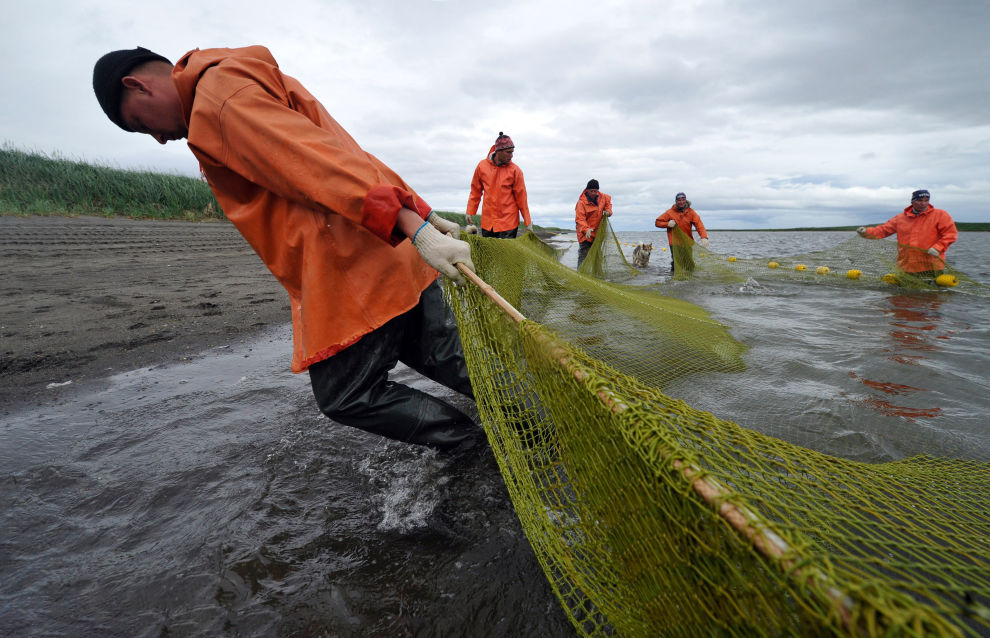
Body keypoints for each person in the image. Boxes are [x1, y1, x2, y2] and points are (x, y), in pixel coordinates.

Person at [92, 45, 479, 450]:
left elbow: (317, 163)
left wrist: (417, 228)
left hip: (351, 265)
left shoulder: (217, 100)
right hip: (387, 251)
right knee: (451, 359)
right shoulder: (233, 81)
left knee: (347, 394)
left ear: (137, 85)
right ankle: (521, 425)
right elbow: (346, 153)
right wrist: (420, 214)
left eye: (141, 123)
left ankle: (468, 445)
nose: (158, 139)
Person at [856, 189, 958, 274]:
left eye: (926, 200)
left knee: (932, 292)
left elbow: (951, 234)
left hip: (931, 265)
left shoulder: (940, 215)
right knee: (905, 293)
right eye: (920, 200)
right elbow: (883, 230)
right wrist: (865, 232)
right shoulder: (900, 218)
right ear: (912, 201)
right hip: (906, 266)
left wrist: (938, 248)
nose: (923, 203)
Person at [465, 132, 533, 238]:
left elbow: (522, 198)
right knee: (488, 249)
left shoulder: (515, 170)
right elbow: (475, 191)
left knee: (506, 250)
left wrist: (528, 222)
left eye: (512, 152)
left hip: (508, 223)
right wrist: (470, 211)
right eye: (508, 152)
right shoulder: (482, 166)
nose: (511, 155)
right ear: (498, 151)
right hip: (488, 223)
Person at [654, 192, 709, 272]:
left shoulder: (691, 212)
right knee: (677, 263)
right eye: (679, 200)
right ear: (676, 201)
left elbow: (699, 225)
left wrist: (704, 237)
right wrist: (667, 224)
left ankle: (690, 277)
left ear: (686, 200)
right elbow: (657, 222)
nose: (681, 202)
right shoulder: (670, 212)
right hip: (675, 243)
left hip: (687, 243)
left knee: (689, 264)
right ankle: (673, 277)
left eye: (683, 199)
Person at [574, 179, 613, 267]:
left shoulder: (603, 197)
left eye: (595, 191)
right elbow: (580, 219)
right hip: (585, 234)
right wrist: (586, 229)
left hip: (597, 234)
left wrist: (608, 212)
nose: (593, 193)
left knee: (597, 256)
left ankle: (597, 273)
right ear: (587, 190)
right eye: (591, 191)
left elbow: (608, 204)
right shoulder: (581, 203)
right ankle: (580, 273)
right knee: (584, 257)